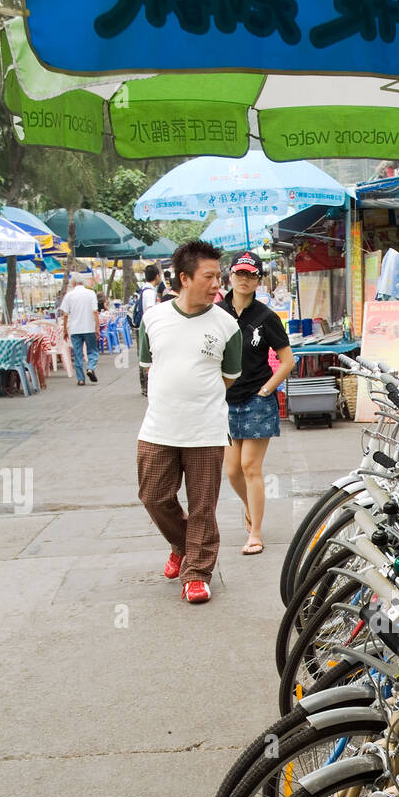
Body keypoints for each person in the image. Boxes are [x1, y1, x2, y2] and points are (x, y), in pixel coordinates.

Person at [136, 240, 242, 605]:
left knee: (202, 506)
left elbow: (230, 376)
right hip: (158, 427)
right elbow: (149, 367)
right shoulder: (153, 318)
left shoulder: (227, 325)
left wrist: (200, 398)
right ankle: (182, 545)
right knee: (153, 497)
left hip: (206, 429)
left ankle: (196, 573)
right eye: (209, 276)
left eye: (219, 276)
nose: (218, 284)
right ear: (184, 278)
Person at [218, 250, 295, 556]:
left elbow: (287, 361)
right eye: (240, 274)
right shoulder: (216, 313)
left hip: (257, 400)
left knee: (250, 467)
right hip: (224, 401)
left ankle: (255, 533)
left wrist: (267, 390)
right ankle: (251, 508)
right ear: (230, 276)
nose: (245, 280)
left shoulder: (266, 317)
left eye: (251, 275)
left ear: (259, 280)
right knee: (233, 471)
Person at [60, 272, 100, 386]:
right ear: (83, 282)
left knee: (77, 354)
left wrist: (64, 330)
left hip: (75, 329)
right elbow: (95, 312)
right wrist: (97, 327)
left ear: (73, 283)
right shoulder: (91, 293)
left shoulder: (69, 295)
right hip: (89, 327)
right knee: (93, 351)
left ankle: (81, 379)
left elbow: (65, 315)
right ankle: (90, 368)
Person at [136, 264, 162, 396]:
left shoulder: (143, 290)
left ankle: (145, 386)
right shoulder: (150, 292)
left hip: (144, 326)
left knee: (144, 358)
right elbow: (150, 310)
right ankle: (146, 387)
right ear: (157, 276)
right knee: (146, 358)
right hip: (148, 328)